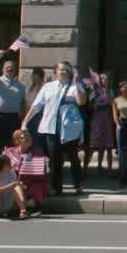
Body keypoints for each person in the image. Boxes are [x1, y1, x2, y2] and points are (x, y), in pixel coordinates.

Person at [22, 61, 86, 195]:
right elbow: (37, 105)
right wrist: (25, 121)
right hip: (50, 127)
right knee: (54, 159)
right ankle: (57, 187)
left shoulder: (75, 86)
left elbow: (81, 101)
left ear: (70, 73)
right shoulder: (48, 87)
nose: (63, 72)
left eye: (66, 70)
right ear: (56, 71)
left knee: (73, 157)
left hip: (68, 128)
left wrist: (76, 84)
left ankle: (78, 184)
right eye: (61, 70)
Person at [0, 50, 26, 156]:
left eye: (12, 67)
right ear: (2, 69)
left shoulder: (20, 86)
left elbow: (23, 104)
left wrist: (23, 119)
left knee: (13, 143)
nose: (10, 68)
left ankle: (11, 165)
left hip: (13, 117)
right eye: (7, 66)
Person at [4, 129, 48, 211]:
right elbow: (4, 169)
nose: (28, 138)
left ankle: (25, 205)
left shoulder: (37, 151)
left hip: (31, 182)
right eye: (24, 137)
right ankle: (23, 205)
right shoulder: (9, 152)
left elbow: (40, 171)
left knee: (37, 188)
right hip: (13, 182)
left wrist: (25, 184)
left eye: (29, 136)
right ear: (17, 141)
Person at [85, 72, 115, 175]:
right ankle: (84, 169)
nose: (104, 81)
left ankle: (108, 169)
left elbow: (112, 103)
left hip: (107, 119)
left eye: (106, 79)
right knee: (94, 145)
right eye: (102, 79)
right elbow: (90, 104)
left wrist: (107, 91)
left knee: (108, 146)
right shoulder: (95, 91)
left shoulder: (110, 91)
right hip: (97, 119)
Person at [0, 154, 29, 220]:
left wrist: (21, 185)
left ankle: (23, 211)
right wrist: (8, 187)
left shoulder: (12, 173)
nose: (11, 165)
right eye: (9, 163)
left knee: (17, 187)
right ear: (4, 166)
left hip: (9, 204)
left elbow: (19, 188)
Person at [24, 67, 46, 133]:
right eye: (33, 76)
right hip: (29, 113)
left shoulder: (45, 87)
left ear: (41, 77)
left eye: (36, 77)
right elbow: (27, 101)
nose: (33, 78)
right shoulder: (30, 88)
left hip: (39, 114)